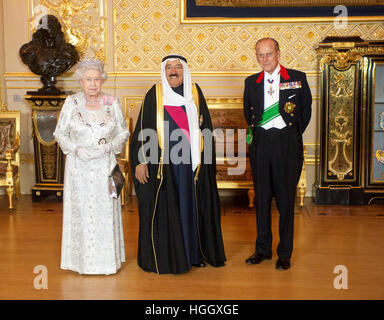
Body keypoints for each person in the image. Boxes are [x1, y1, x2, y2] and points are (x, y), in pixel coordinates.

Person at [130, 54, 226, 274]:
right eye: (169, 67)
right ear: (164, 71)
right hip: (164, 164)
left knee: (190, 207)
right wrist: (141, 161)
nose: (173, 71)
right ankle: (171, 257)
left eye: (178, 67)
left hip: (191, 164)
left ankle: (193, 254)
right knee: (170, 208)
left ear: (184, 70)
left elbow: (206, 127)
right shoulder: (154, 94)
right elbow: (143, 131)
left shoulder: (194, 92)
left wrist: (207, 160)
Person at [53, 58, 129, 275]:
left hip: (106, 166)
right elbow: (60, 133)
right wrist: (76, 149)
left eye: (96, 79)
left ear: (102, 80)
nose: (93, 84)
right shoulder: (71, 103)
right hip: (79, 168)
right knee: (83, 213)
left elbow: (123, 132)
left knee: (106, 213)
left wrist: (110, 148)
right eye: (88, 79)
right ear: (81, 81)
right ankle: (82, 262)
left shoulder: (111, 102)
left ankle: (107, 263)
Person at [243, 38, 312, 270]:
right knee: (261, 200)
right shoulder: (251, 82)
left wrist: (289, 135)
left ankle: (284, 253)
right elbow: (248, 113)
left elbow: (305, 111)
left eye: (268, 54)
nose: (264, 59)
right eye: (260, 55)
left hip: (286, 145)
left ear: (278, 54)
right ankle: (262, 249)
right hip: (261, 145)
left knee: (285, 201)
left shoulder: (297, 78)